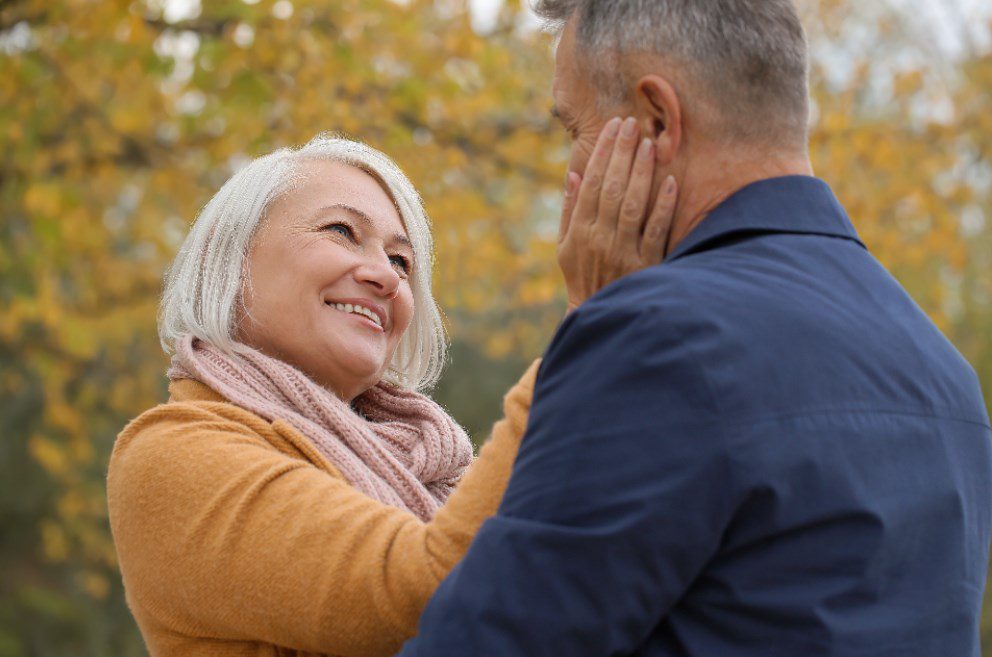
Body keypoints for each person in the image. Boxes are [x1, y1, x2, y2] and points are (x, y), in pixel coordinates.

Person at [398, 2, 992, 656]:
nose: (571, 169)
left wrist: (595, 321)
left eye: (572, 127)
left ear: (656, 121)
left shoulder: (655, 339)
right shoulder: (941, 369)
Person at [106, 132, 677, 656]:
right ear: (226, 259)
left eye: (401, 261)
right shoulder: (170, 454)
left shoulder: (432, 465)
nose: (386, 277)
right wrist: (591, 322)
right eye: (341, 231)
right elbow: (433, 597)